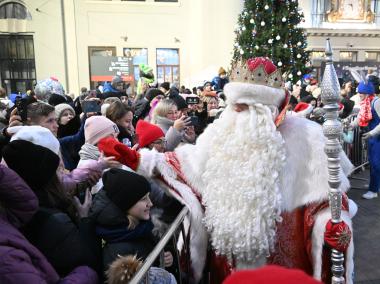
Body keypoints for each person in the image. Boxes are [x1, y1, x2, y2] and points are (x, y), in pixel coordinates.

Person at [98, 57, 355, 283]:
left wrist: (331, 226)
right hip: (228, 268)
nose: (236, 113)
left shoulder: (309, 140)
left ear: (267, 109)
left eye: (244, 107)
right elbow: (188, 164)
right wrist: (140, 160)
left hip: (282, 269)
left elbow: (327, 202)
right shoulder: (223, 133)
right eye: (235, 106)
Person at [0, 164, 98, 284]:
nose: (64, 172)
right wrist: (87, 272)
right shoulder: (56, 221)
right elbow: (87, 259)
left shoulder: (13, 217)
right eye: (58, 171)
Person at [89, 169, 177, 283]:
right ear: (126, 204)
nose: (150, 203)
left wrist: (168, 256)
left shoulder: (139, 226)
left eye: (148, 197)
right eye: (143, 199)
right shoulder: (117, 251)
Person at [351, 81, 380, 199]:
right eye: (359, 93)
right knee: (373, 162)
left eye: (362, 93)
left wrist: (372, 133)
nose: (360, 96)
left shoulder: (378, 102)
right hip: (373, 136)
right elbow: (360, 117)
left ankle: (373, 190)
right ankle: (375, 185)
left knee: (377, 163)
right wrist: (351, 125)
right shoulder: (366, 102)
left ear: (368, 93)